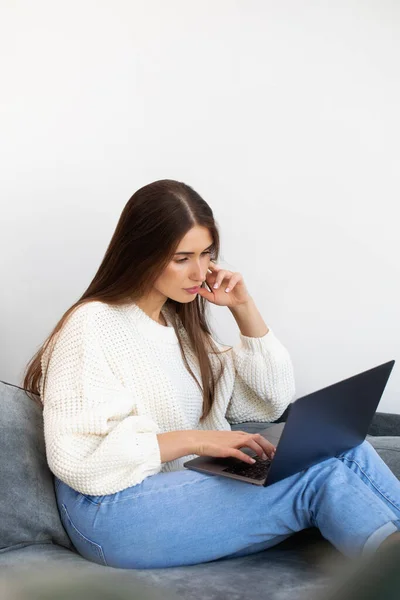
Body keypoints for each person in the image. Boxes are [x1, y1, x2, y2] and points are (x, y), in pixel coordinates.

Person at [23, 179, 400, 570]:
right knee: (319, 477)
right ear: (142, 253)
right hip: (106, 511)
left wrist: (243, 307)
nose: (199, 272)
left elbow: (268, 400)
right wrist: (196, 441)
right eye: (182, 257)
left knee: (348, 447)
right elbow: (77, 459)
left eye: (206, 254)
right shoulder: (92, 324)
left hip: (174, 490)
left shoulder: (184, 330)